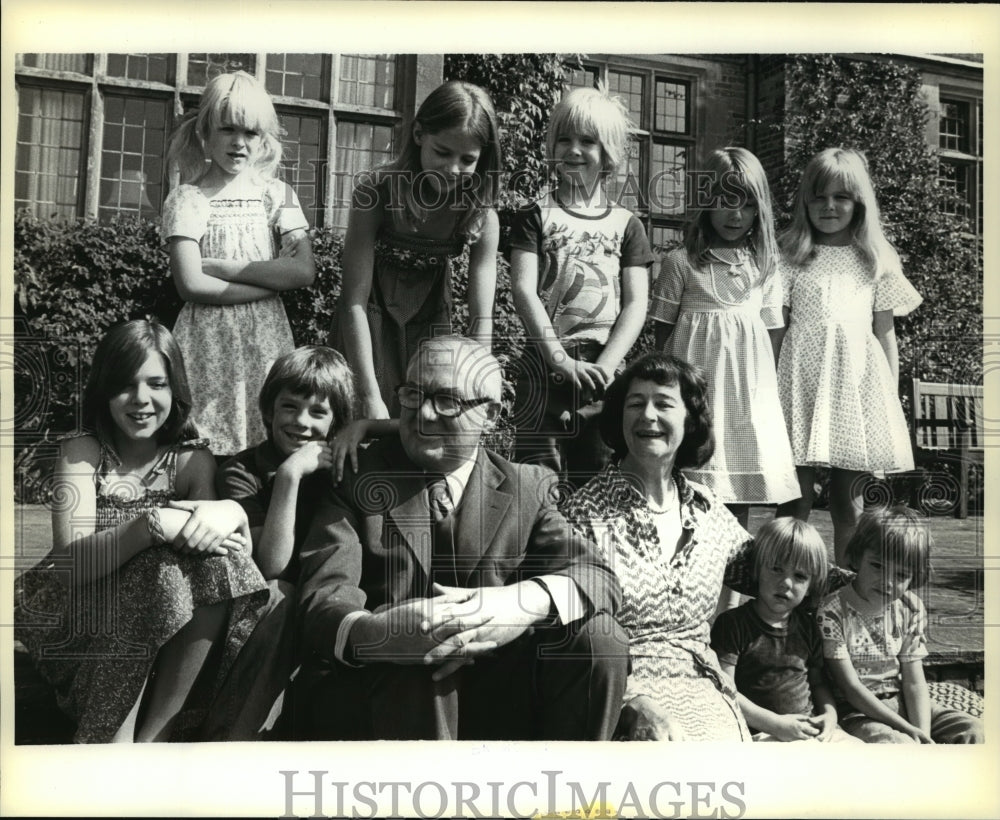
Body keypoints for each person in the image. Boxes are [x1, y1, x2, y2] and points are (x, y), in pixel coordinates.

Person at [291, 335, 629, 740]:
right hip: (387, 698)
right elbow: (324, 597)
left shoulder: (528, 486)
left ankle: (569, 798)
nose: (424, 415)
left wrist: (517, 606)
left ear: (490, 414)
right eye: (413, 394)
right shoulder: (357, 475)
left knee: (600, 639)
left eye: (447, 400)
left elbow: (597, 575)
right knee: (419, 663)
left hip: (501, 691)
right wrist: (378, 635)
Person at [15, 320, 267, 743]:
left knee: (213, 566)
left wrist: (227, 511)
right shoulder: (83, 452)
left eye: (157, 384)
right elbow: (71, 565)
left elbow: (211, 564)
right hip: (81, 614)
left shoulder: (190, 461)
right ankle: (115, 734)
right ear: (104, 389)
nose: (142, 400)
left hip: (163, 622)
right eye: (126, 385)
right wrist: (150, 526)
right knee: (161, 570)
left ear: (176, 390)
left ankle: (156, 734)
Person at [562, 352, 755, 741]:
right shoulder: (584, 513)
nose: (647, 415)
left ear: (689, 421)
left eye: (663, 404)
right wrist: (628, 701)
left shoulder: (707, 508)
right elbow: (566, 635)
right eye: (635, 404)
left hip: (709, 692)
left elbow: (774, 573)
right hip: (622, 702)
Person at [200, 345, 371, 740]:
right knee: (282, 594)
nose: (301, 422)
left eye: (318, 412)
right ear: (268, 410)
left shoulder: (344, 459)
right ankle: (234, 739)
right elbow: (270, 567)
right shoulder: (241, 471)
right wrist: (290, 476)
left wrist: (365, 428)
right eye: (289, 407)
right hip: (261, 609)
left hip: (328, 597)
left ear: (337, 421)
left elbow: (407, 428)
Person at [776, 148, 921, 563]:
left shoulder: (875, 259)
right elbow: (780, 327)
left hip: (856, 392)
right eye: (819, 196)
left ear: (859, 202)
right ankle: (785, 590)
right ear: (806, 200)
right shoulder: (790, 256)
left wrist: (888, 400)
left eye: (841, 197)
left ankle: (846, 596)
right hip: (799, 387)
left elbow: (885, 333)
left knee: (849, 505)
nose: (829, 206)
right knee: (794, 502)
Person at [163, 70, 316, 458]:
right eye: (227, 129)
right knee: (205, 442)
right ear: (205, 133)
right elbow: (191, 285)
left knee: (266, 441)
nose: (238, 142)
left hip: (266, 338)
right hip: (206, 341)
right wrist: (270, 283)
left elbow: (302, 271)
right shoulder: (188, 199)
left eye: (250, 133)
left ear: (263, 139)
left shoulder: (278, 196)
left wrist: (219, 266)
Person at [509, 86, 653, 490]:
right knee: (536, 485)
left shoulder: (627, 225)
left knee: (597, 482)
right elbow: (524, 291)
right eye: (564, 139)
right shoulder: (534, 214)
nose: (573, 150)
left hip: (601, 372)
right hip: (544, 364)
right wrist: (558, 360)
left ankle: (589, 555)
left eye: (587, 141)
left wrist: (607, 366)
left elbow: (636, 304)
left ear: (607, 152)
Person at [331, 80, 502, 420]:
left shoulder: (480, 214)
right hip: (368, 325)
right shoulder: (375, 193)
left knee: (424, 426)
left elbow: (480, 316)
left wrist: (481, 389)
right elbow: (354, 301)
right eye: (442, 152)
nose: (453, 169)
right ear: (419, 134)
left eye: (467, 159)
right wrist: (369, 394)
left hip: (430, 323)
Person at [651, 147, 798, 530]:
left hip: (745, 401)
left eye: (747, 204)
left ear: (759, 209)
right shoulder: (680, 263)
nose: (736, 214)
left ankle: (730, 590)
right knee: (686, 493)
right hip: (696, 396)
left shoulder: (766, 267)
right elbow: (661, 340)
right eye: (725, 201)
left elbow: (772, 340)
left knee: (737, 497)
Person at [817, 506, 983, 743]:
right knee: (896, 744)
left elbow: (914, 681)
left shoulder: (908, 608)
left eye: (901, 575)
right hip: (858, 712)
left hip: (901, 700)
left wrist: (922, 734)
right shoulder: (833, 611)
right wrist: (907, 730)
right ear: (856, 557)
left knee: (972, 729)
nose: (887, 581)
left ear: (914, 577)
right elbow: (850, 688)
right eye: (877, 566)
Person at [711, 517, 857, 742]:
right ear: (757, 570)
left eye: (799, 576)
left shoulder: (808, 626)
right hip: (761, 731)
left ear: (810, 587)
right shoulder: (733, 624)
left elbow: (817, 682)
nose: (786, 583)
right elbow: (724, 689)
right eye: (776, 569)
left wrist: (830, 714)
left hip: (809, 726)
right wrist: (776, 724)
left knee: (861, 755)